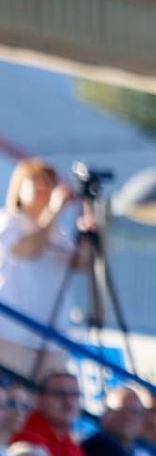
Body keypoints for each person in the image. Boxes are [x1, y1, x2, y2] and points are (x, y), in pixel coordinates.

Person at [0, 159, 87, 379]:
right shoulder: (9, 222)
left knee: (50, 402)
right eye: (36, 182)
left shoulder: (60, 235)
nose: (44, 189)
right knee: (13, 397)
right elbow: (27, 249)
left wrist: (92, 226)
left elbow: (82, 264)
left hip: (52, 337)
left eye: (49, 183)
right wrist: (53, 211)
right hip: (13, 334)